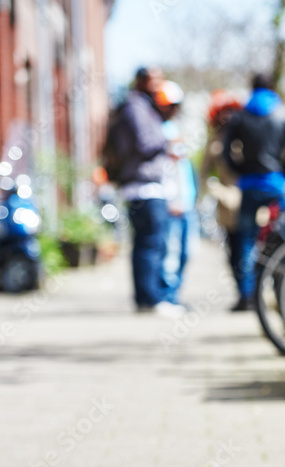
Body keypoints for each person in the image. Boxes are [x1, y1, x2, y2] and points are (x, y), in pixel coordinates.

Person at [221, 73, 285, 312]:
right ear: (272, 87)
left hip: (249, 186)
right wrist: (283, 173)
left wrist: (242, 172)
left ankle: (247, 295)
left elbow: (228, 153)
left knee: (246, 241)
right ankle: (283, 293)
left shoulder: (239, 117)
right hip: (277, 186)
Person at [104, 67, 183, 317]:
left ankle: (146, 298)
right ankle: (150, 299)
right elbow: (145, 142)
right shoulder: (136, 107)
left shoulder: (139, 106)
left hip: (143, 186)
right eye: (154, 80)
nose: (159, 84)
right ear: (141, 82)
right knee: (151, 243)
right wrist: (168, 142)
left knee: (147, 243)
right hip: (143, 187)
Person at [154, 80, 196, 306]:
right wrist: (175, 198)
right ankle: (168, 296)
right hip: (174, 201)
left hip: (184, 200)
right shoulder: (162, 131)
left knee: (185, 252)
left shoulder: (173, 128)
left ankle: (174, 294)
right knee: (171, 252)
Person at [199, 90, 243, 237]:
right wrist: (218, 191)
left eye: (230, 111)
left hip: (248, 194)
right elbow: (204, 173)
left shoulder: (245, 135)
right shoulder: (214, 140)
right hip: (227, 202)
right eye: (223, 112)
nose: (227, 116)